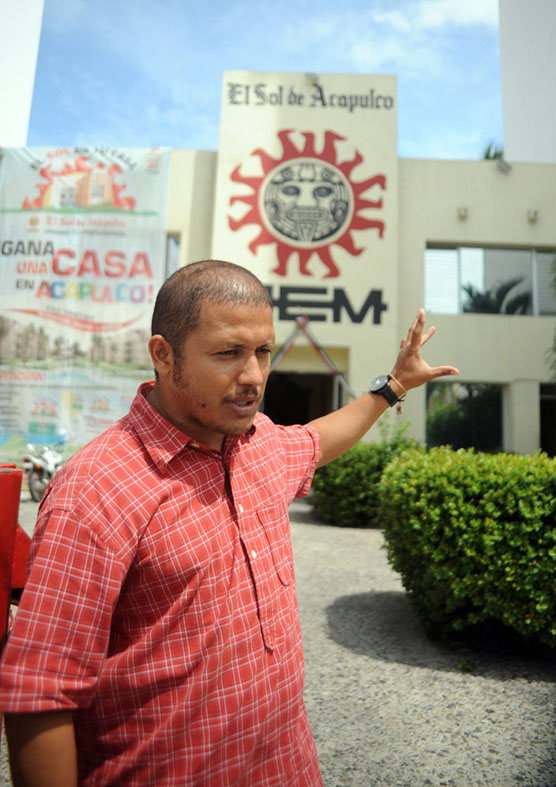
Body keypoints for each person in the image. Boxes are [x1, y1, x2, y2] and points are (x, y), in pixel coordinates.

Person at [0, 260, 458, 786]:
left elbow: (319, 440)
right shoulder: (97, 490)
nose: (254, 377)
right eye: (228, 353)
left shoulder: (259, 445)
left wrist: (394, 385)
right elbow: (40, 692)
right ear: (163, 355)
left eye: (262, 351)